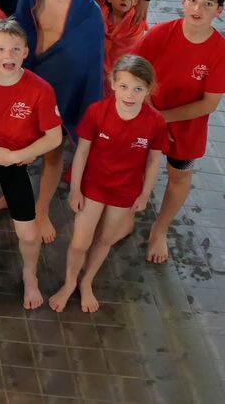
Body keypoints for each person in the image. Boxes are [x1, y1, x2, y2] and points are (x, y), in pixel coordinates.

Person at [50, 54, 166, 314]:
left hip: (125, 190)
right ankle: (70, 282)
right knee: (80, 242)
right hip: (93, 186)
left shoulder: (155, 122)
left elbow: (153, 161)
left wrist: (144, 194)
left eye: (138, 89)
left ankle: (87, 281)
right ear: (113, 83)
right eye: (124, 86)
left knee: (105, 239)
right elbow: (82, 152)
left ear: (148, 90)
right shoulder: (97, 112)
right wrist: (76, 189)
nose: (129, 94)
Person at [0, 18, 64, 307]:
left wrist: (16, 156)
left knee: (28, 234)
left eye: (15, 49)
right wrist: (1, 153)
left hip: (16, 164)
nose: (9, 55)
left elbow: (54, 137)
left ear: (25, 52)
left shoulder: (40, 89)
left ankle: (30, 274)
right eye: (1, 49)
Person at [135, 0, 225, 265]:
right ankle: (126, 211)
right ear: (182, 1)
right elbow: (136, 72)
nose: (198, 9)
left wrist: (164, 120)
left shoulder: (221, 53)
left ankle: (160, 228)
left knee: (179, 175)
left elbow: (209, 103)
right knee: (134, 164)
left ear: (219, 10)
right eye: (193, 0)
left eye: (208, 3)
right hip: (147, 114)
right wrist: (152, 116)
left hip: (186, 127)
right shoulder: (159, 34)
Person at [14, 0, 106, 241]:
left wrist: (87, 110)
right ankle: (12, 198)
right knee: (17, 144)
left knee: (53, 153)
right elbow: (16, 43)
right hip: (28, 83)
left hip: (64, 89)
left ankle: (41, 209)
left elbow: (92, 66)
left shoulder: (89, 13)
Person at [101, 0, 149, 75]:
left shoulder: (136, 23)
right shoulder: (99, 16)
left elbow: (134, 48)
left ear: (135, 1)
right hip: (99, 67)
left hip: (125, 68)